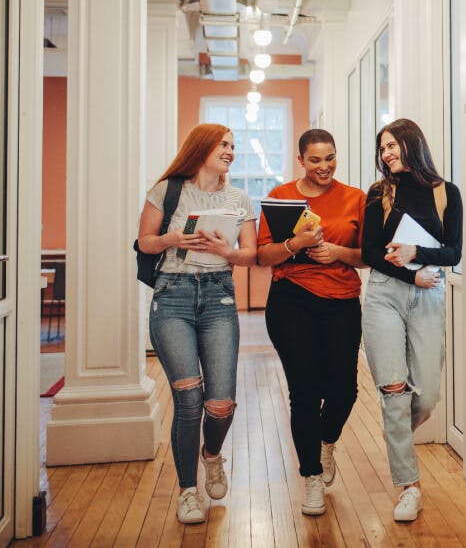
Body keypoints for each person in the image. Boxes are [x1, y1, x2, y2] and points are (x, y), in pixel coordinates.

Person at [135, 123, 257, 524]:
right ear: (201, 146)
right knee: (189, 398)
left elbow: (250, 254)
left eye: (233, 146)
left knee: (220, 403)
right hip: (173, 297)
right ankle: (188, 491)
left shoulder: (239, 198)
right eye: (224, 144)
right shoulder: (168, 189)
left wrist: (228, 250)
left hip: (220, 297)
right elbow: (144, 242)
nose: (230, 152)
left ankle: (212, 455)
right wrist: (173, 239)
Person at [256, 129, 366, 516]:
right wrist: (295, 245)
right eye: (315, 159)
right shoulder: (281, 197)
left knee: (344, 390)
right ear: (300, 159)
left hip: (342, 300)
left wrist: (337, 251)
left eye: (330, 158)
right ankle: (311, 478)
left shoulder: (355, 197)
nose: (324, 166)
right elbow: (263, 256)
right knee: (304, 392)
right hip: (292, 300)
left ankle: (326, 440)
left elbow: (367, 255)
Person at [360, 118, 463, 523]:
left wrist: (415, 251)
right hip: (385, 293)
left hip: (429, 296)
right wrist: (408, 270)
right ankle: (410, 486)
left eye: (392, 146)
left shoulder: (445, 192)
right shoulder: (378, 193)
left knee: (429, 394)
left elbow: (454, 252)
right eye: (381, 148)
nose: (386, 154)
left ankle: (396, 430)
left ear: (412, 145)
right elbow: (369, 252)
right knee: (394, 390)